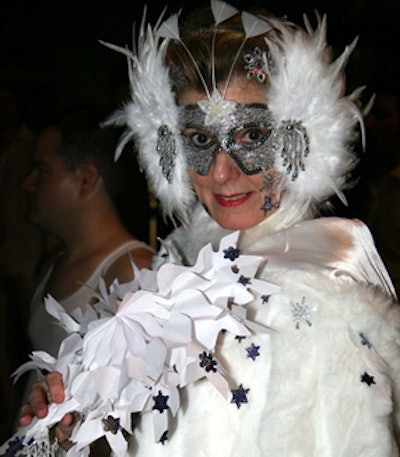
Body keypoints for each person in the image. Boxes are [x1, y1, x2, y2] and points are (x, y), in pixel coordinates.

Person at [8, 2, 400, 457]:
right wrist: (73, 422)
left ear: (300, 138)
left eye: (252, 136)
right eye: (198, 140)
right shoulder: (173, 271)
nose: (219, 172)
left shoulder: (314, 302)